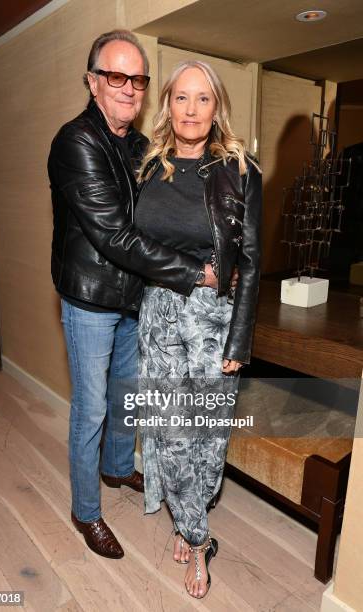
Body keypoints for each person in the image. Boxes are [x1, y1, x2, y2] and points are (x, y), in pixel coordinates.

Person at [47, 31, 220, 560]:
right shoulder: (75, 142)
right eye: (115, 76)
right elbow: (116, 235)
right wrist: (197, 272)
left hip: (133, 299)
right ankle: (85, 510)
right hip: (91, 298)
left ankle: (118, 469)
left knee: (126, 399)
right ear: (93, 81)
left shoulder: (141, 146)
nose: (128, 88)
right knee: (93, 408)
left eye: (137, 79)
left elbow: (174, 207)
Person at [135, 60, 262, 598]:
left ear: (217, 106)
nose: (191, 110)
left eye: (203, 99)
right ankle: (196, 533)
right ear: (167, 104)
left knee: (207, 437)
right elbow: (132, 245)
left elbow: (252, 259)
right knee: (170, 431)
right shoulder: (149, 165)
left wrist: (239, 340)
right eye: (181, 98)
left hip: (213, 320)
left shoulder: (240, 167)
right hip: (158, 315)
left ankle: (192, 517)